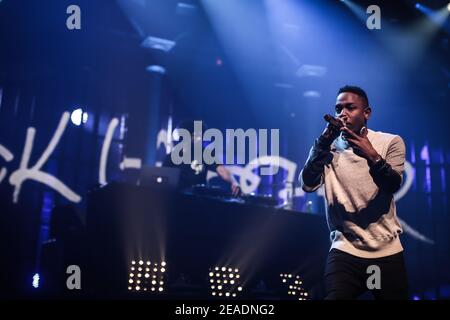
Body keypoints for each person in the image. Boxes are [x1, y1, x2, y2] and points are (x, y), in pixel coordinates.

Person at [300, 85, 408, 300]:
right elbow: (307, 184)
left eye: (350, 107)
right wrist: (322, 143)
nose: (343, 113)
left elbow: (392, 185)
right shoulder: (325, 148)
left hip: (385, 251)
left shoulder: (389, 142)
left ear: (366, 113)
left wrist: (371, 154)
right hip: (345, 249)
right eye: (339, 108)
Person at [163, 120, 241, 196]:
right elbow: (163, 178)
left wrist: (233, 182)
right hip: (177, 199)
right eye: (198, 135)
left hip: (199, 200)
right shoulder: (171, 157)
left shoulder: (204, 154)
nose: (201, 138)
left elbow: (221, 169)